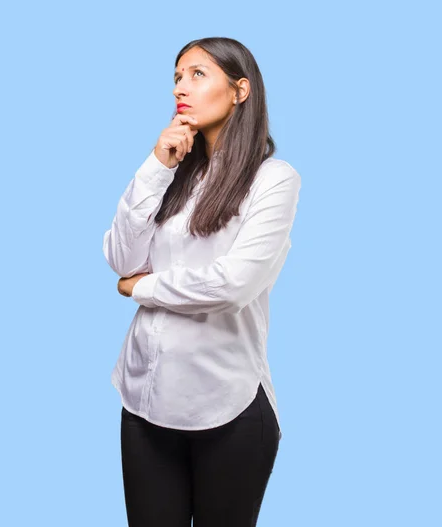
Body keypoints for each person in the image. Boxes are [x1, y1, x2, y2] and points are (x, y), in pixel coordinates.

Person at [102, 37, 301, 527]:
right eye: (176, 77)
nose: (180, 88)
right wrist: (154, 167)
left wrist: (141, 290)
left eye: (197, 74)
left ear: (240, 90)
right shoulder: (173, 174)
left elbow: (232, 285)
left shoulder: (272, 180)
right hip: (145, 401)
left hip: (227, 407)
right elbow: (120, 257)